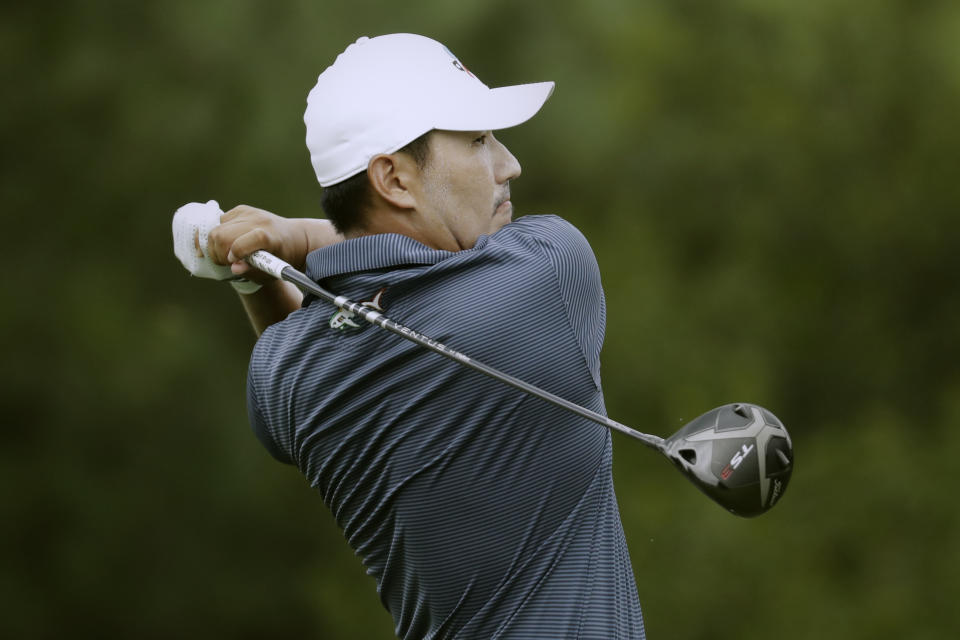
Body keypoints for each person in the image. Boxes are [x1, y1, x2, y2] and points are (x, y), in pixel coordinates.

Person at [174, 33, 646, 639]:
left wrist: (259, 274)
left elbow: (305, 336)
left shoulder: (283, 375)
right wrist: (297, 235)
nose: (509, 164)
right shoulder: (549, 276)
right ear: (394, 180)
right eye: (477, 140)